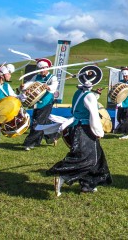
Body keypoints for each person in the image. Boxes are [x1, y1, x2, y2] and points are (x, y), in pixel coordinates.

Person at [46, 65, 112, 196]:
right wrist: (99, 132)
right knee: (88, 159)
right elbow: (93, 114)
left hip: (76, 127)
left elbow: (84, 103)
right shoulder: (89, 96)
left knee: (97, 157)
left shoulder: (79, 93)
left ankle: (88, 184)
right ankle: (63, 176)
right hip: (85, 129)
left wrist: (96, 95)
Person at [22, 58, 58, 151]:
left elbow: (54, 86)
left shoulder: (52, 77)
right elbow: (30, 83)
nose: (42, 71)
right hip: (37, 103)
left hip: (47, 102)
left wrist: (48, 86)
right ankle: (53, 135)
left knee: (37, 123)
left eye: (44, 69)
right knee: (42, 121)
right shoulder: (37, 77)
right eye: (40, 69)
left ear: (47, 68)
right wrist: (24, 87)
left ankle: (29, 143)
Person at [114, 67, 128, 140]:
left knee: (127, 118)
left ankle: (125, 134)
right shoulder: (120, 82)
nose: (125, 77)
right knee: (119, 118)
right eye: (124, 76)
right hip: (121, 103)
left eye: (126, 76)